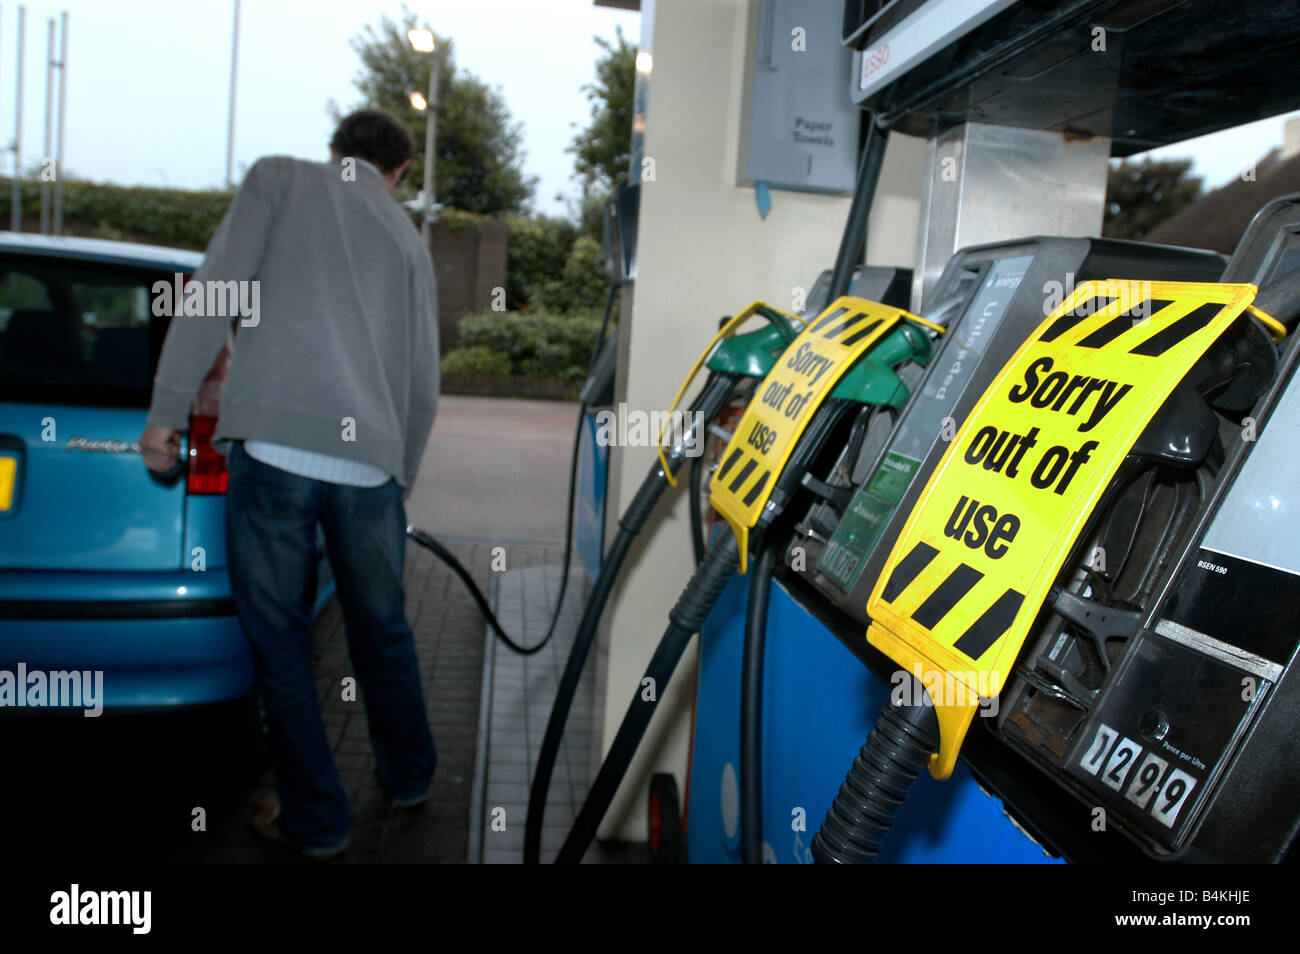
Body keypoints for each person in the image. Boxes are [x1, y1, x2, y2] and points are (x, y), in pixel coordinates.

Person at [139, 109, 440, 860]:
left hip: (273, 453)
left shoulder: (280, 180)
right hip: (369, 467)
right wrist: (397, 471)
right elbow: (423, 382)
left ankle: (319, 818)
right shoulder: (407, 238)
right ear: (397, 172)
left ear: (335, 150)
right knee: (384, 628)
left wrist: (163, 416)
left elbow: (210, 297)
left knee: (282, 643)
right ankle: (410, 776)